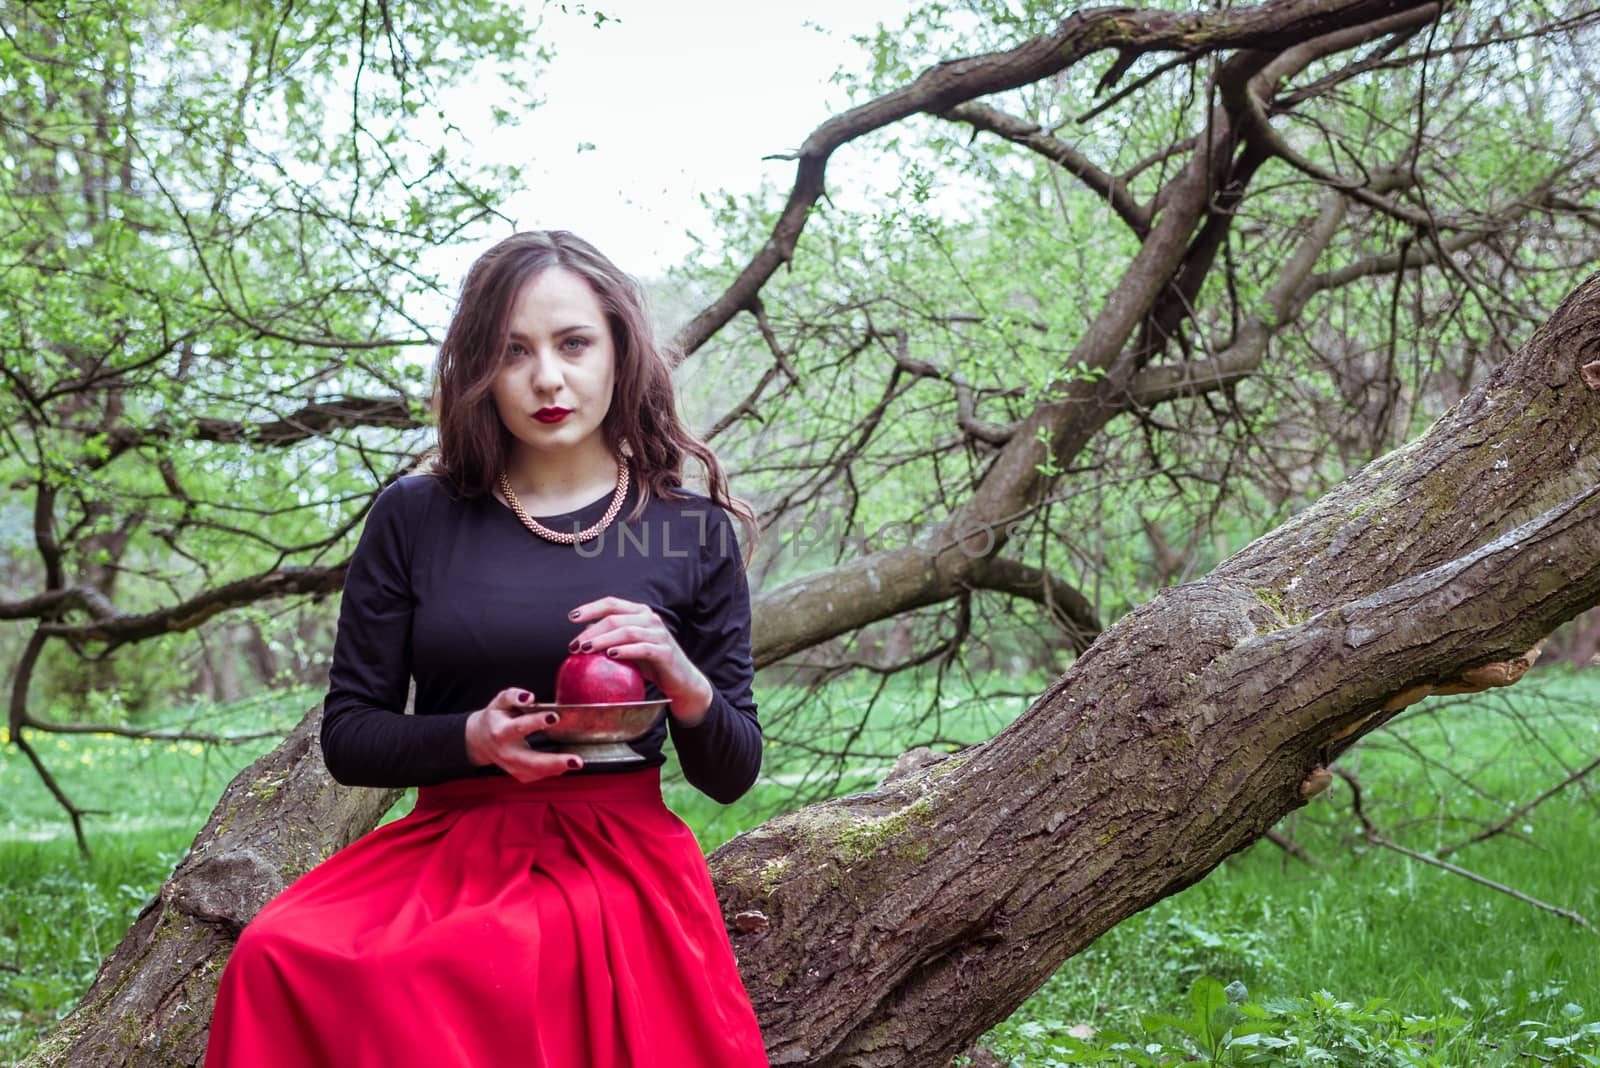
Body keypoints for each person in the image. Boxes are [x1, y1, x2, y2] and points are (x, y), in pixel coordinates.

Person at [204, 231, 769, 1067]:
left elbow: (732, 774)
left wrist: (683, 681)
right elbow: (350, 735)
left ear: (618, 349)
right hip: (451, 842)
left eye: (573, 343)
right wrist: (469, 739)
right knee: (275, 953)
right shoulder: (414, 515)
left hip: (618, 853)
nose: (548, 377)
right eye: (514, 352)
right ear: (478, 369)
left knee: (504, 960)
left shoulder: (690, 531)